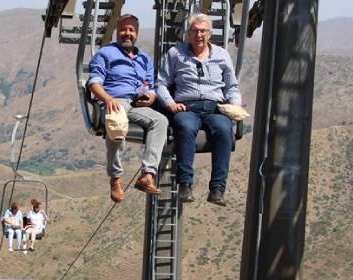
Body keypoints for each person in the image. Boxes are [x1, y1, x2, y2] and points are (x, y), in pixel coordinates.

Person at [156, 13, 243, 206]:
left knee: (223, 130)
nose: (199, 35)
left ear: (210, 34)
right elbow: (161, 83)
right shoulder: (175, 54)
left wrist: (235, 104)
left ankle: (218, 189)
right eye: (195, 31)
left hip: (215, 107)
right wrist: (170, 103)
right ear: (189, 33)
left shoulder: (221, 55)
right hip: (188, 106)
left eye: (203, 31)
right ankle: (185, 184)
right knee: (185, 127)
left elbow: (231, 86)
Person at [88, 14, 168, 203]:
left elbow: (150, 86)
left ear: (137, 33)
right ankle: (115, 177)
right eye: (124, 30)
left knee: (161, 121)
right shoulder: (105, 54)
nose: (127, 34)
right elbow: (94, 83)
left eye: (131, 30)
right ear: (117, 32)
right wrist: (108, 99)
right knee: (117, 119)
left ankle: (147, 174)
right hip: (114, 100)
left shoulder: (144, 59)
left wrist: (150, 97)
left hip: (135, 103)